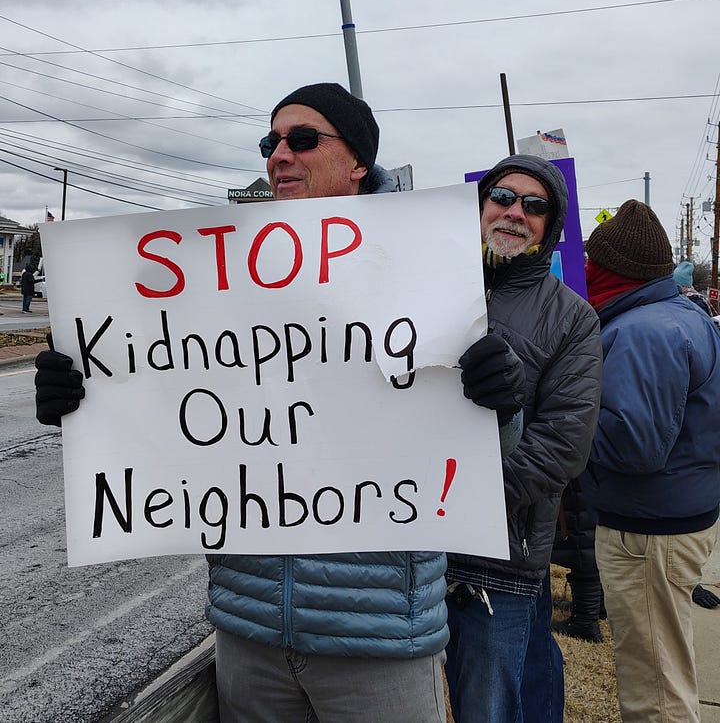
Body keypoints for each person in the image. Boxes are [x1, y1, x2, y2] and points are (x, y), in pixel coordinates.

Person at [35, 81, 526, 723]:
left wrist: (501, 399)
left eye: (301, 139)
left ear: (358, 162)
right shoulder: (222, 273)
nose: (279, 155)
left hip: (379, 639)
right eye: (271, 142)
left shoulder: (425, 268)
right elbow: (159, 403)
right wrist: (78, 400)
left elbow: (492, 448)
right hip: (250, 630)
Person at [444, 155, 603, 723]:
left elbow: (562, 445)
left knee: (488, 707)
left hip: (499, 560)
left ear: (550, 228)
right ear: (481, 206)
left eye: (534, 206)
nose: (515, 212)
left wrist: (465, 502)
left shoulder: (572, 319)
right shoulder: (426, 285)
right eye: (503, 197)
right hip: (409, 550)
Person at [582, 199, 720, 723]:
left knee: (655, 688)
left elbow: (634, 447)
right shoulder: (680, 315)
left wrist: (564, 424)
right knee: (664, 666)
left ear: (611, 269)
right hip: (670, 520)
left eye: (593, 259)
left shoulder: (643, 332)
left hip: (647, 533)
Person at [551, 477, 605, 642]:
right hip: (593, 479)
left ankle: (585, 620)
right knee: (588, 538)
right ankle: (598, 608)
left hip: (583, 477)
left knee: (582, 543)